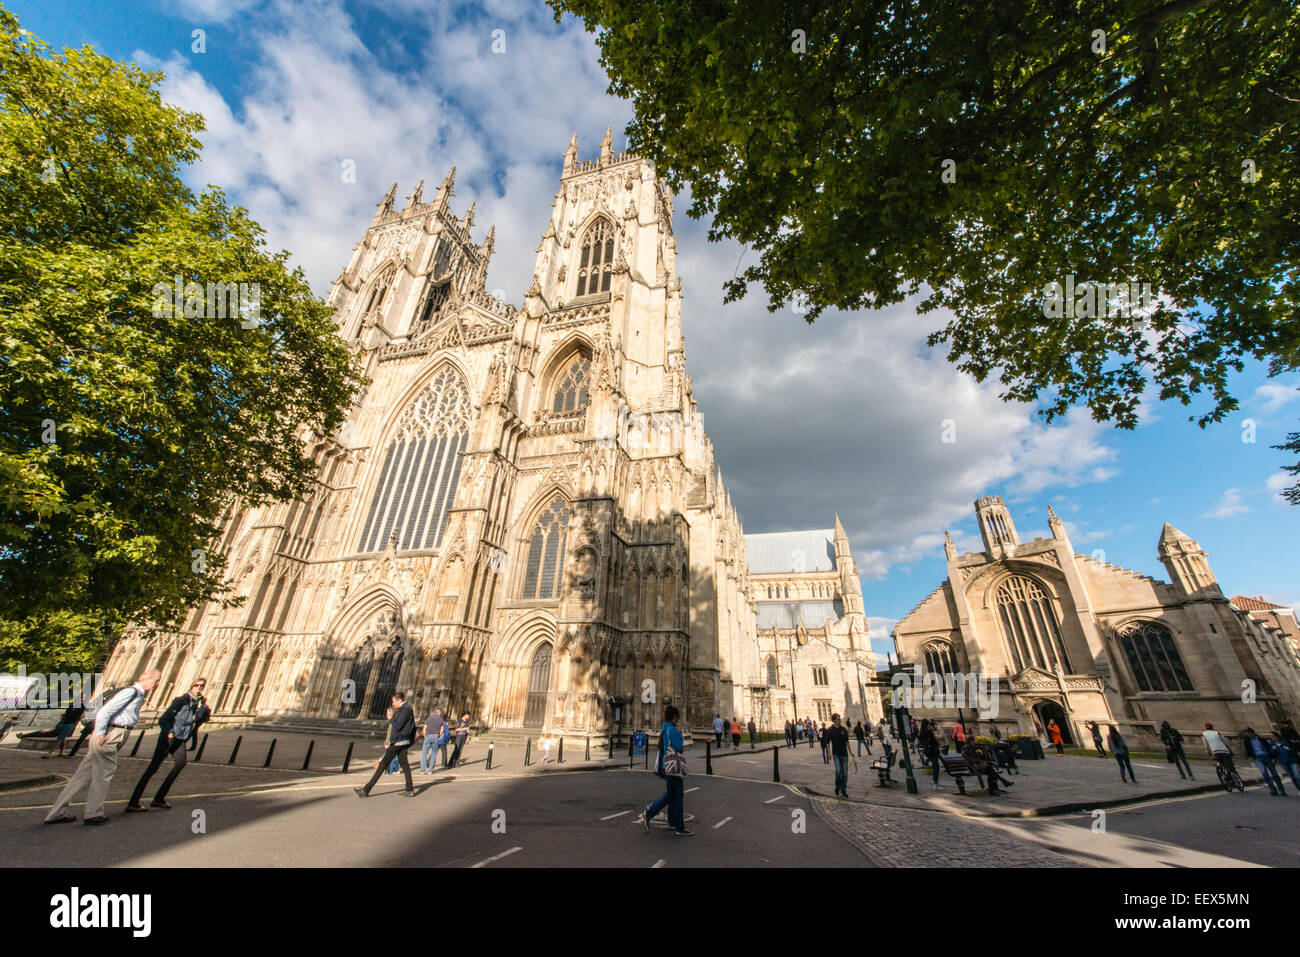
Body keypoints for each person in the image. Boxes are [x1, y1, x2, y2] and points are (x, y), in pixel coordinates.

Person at [44, 670, 161, 825]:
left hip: (112, 733)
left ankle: (56, 813)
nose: (158, 684)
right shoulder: (131, 692)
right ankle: (93, 813)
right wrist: (100, 733)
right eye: (157, 680)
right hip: (111, 734)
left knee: (81, 777)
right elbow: (104, 712)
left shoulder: (137, 694)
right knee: (104, 774)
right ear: (147, 679)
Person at [125, 678, 209, 812]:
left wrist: (204, 708)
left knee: (180, 763)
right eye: (196, 685)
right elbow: (164, 719)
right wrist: (169, 732)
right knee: (153, 768)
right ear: (191, 685)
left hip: (180, 738)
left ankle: (159, 798)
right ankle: (133, 802)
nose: (199, 687)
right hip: (169, 737)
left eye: (202, 686)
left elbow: (200, 720)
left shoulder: (198, 703)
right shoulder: (181, 700)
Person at [355, 692, 416, 798]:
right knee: (404, 764)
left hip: (398, 741)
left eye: (394, 702)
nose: (393, 704)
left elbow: (398, 725)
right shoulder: (405, 709)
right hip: (401, 741)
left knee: (383, 764)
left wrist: (390, 717)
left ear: (399, 700)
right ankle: (409, 789)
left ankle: (366, 789)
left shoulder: (406, 709)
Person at [643, 705, 692, 836]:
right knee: (677, 796)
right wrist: (680, 733)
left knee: (672, 794)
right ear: (674, 716)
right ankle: (677, 826)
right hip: (673, 766)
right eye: (678, 716)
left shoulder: (665, 728)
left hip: (667, 765)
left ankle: (672, 822)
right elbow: (679, 747)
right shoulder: (671, 729)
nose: (679, 718)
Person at [1242, 727, 1286, 795]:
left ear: (1252, 733)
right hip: (1258, 758)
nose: (1247, 735)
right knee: (1264, 773)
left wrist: (1273, 757)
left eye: (1248, 733)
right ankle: (1273, 789)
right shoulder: (1247, 741)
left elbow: (1269, 748)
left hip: (1267, 757)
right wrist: (1250, 757)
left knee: (1274, 773)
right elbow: (1247, 749)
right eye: (1247, 734)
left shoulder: (1261, 739)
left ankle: (1281, 790)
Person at [828, 713, 851, 797]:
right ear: (834, 720)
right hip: (836, 754)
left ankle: (843, 789)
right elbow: (828, 742)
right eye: (838, 719)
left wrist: (851, 752)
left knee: (844, 773)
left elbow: (847, 741)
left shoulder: (843, 729)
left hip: (844, 754)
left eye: (840, 719)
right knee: (838, 771)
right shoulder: (830, 730)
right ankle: (837, 786)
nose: (840, 720)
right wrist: (829, 753)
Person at [419, 708, 446, 773]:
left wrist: (425, 736)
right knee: (434, 754)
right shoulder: (440, 719)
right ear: (439, 713)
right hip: (436, 736)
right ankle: (430, 770)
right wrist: (439, 735)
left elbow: (424, 728)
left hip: (428, 735)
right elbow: (442, 730)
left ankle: (422, 770)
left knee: (424, 754)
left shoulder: (429, 718)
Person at [919, 718, 942, 789]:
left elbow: (921, 741)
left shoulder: (922, 733)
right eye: (929, 724)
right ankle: (935, 783)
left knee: (934, 765)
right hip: (933, 751)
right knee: (936, 767)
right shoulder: (928, 732)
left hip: (928, 752)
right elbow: (934, 742)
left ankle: (935, 781)